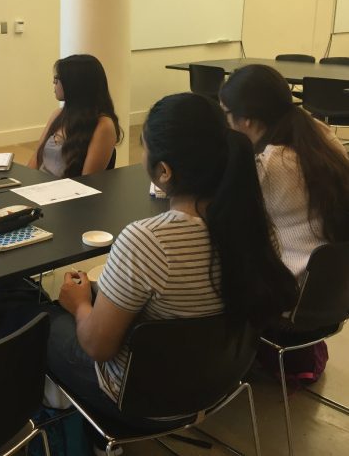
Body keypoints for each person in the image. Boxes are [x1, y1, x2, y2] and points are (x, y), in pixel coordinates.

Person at [46, 93, 298, 428]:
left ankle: (61, 427)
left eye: (144, 148)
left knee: (35, 319)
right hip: (218, 383)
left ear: (163, 171)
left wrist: (79, 305)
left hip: (138, 398)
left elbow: (97, 346)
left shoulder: (146, 240)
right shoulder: (258, 229)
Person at [219, 64, 349, 278]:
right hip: (335, 283)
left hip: (292, 285)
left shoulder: (270, 164)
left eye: (226, 113)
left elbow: (227, 212)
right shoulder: (319, 132)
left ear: (246, 120)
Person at [27, 55, 122, 177]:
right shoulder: (58, 114)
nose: (53, 82)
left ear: (74, 83)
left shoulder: (104, 126)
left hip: (68, 192)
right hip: (39, 189)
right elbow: (35, 160)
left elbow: (87, 181)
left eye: (57, 78)